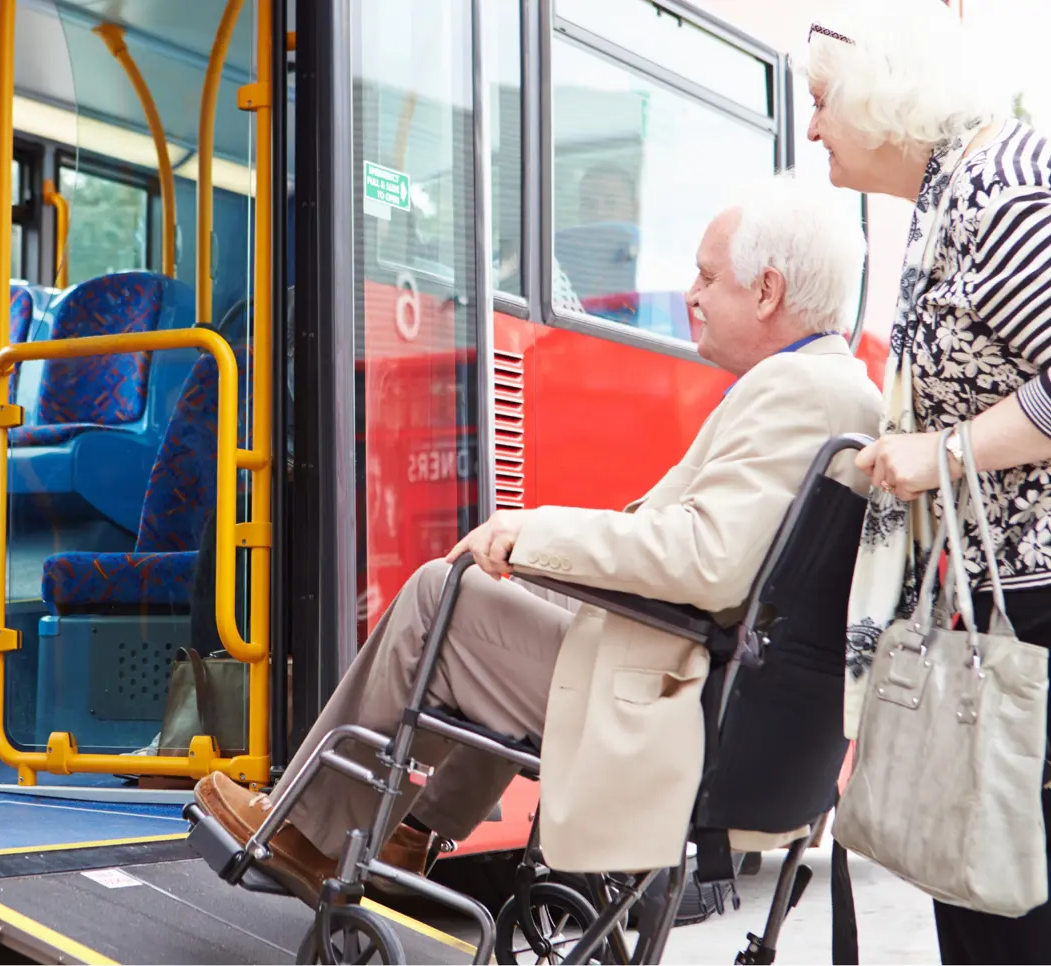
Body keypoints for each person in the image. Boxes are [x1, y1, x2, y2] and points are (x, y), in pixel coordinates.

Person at [193, 174, 883, 904]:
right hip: (727, 702)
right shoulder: (841, 391)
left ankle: (308, 834)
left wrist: (530, 531)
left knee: (442, 596)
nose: (692, 294)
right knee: (495, 595)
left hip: (679, 710)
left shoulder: (795, 390)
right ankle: (410, 831)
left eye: (709, 277)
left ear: (768, 291)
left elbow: (706, 562)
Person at [808, 3, 1051, 960]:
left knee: (1008, 907)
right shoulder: (952, 195)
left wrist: (945, 453)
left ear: (883, 101)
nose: (816, 125)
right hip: (1000, 603)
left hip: (1032, 610)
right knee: (982, 891)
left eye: (824, 103)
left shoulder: (1002, 188)